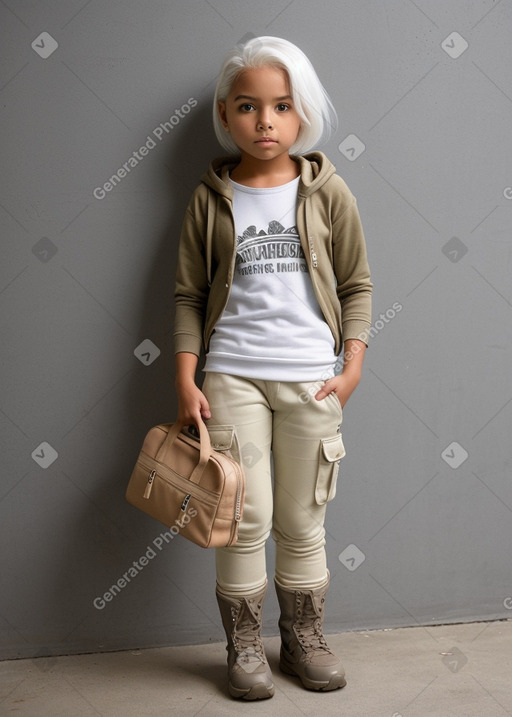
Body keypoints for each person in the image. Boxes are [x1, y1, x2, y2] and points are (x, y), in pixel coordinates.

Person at [173, 36, 372, 700]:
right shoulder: (212, 197)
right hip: (231, 378)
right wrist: (185, 375)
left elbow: (357, 285)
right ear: (227, 115)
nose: (266, 122)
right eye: (249, 107)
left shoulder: (327, 190)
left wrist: (352, 367)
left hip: (313, 379)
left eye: (282, 106)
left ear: (302, 113)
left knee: (302, 517)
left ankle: (304, 640)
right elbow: (189, 295)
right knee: (242, 515)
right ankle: (245, 647)